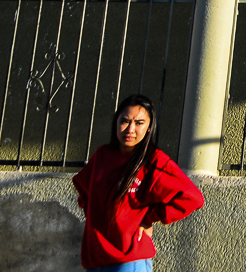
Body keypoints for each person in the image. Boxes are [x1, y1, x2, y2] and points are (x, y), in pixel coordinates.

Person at [71, 93, 205, 272]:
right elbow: (84, 189)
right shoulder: (102, 156)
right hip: (95, 260)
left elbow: (192, 198)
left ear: (149, 127)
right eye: (125, 121)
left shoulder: (154, 161)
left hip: (130, 261)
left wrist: (148, 218)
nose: (130, 129)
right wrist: (94, 216)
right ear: (116, 122)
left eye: (139, 123)